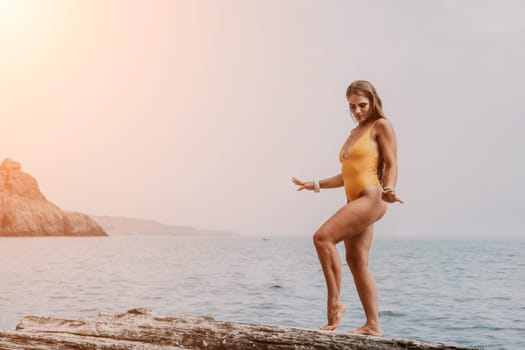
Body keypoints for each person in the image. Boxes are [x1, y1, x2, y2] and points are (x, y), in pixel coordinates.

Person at [292, 80, 402, 336]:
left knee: (322, 238)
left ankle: (334, 302)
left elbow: (392, 163)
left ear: (373, 101)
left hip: (371, 197)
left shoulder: (381, 125)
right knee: (356, 261)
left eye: (362, 105)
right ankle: (373, 325)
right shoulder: (354, 132)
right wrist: (313, 184)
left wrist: (389, 188)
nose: (357, 111)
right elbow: (346, 176)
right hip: (355, 200)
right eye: (352, 107)